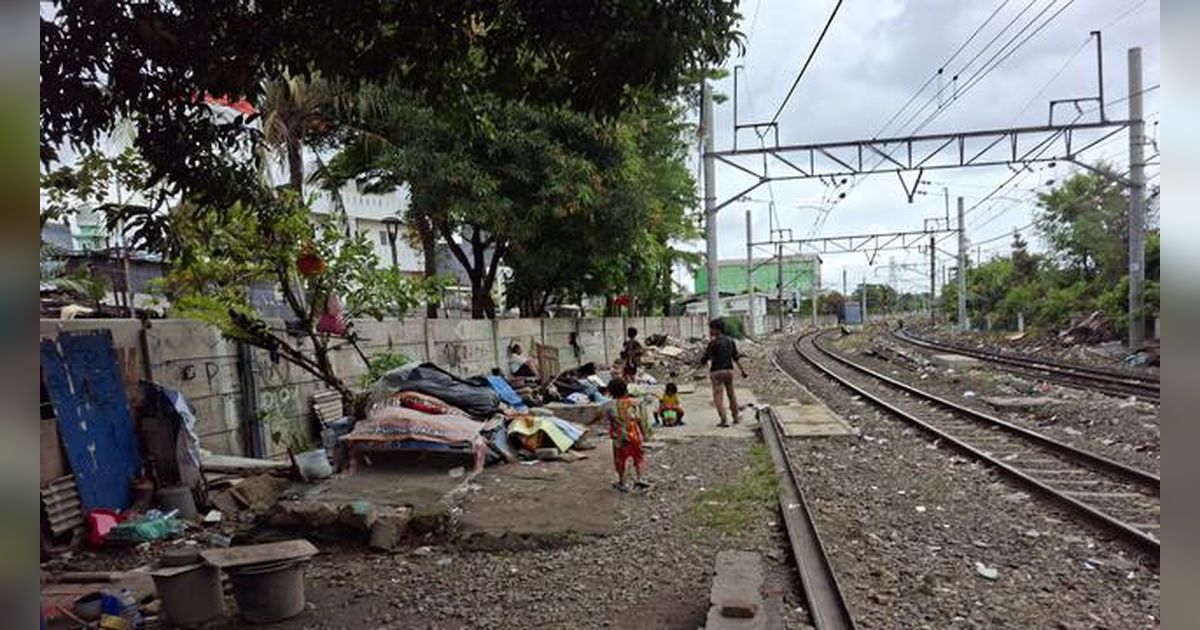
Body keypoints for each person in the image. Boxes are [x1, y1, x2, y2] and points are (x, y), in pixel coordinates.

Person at [698, 318, 748, 427]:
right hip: (729, 371)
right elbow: (736, 358)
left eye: (711, 329)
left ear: (717, 329)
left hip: (716, 372)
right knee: (731, 394)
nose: (710, 331)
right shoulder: (730, 341)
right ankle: (735, 417)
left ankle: (723, 419)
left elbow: (704, 359)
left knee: (718, 396)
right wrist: (743, 371)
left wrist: (698, 364)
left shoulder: (712, 343)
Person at [606, 377, 649, 492]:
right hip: (635, 436)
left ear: (610, 392)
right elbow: (640, 420)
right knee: (638, 457)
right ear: (625, 389)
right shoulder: (633, 403)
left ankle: (622, 482)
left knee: (620, 460)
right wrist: (644, 435)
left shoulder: (610, 406)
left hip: (620, 439)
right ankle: (640, 477)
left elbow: (607, 420)